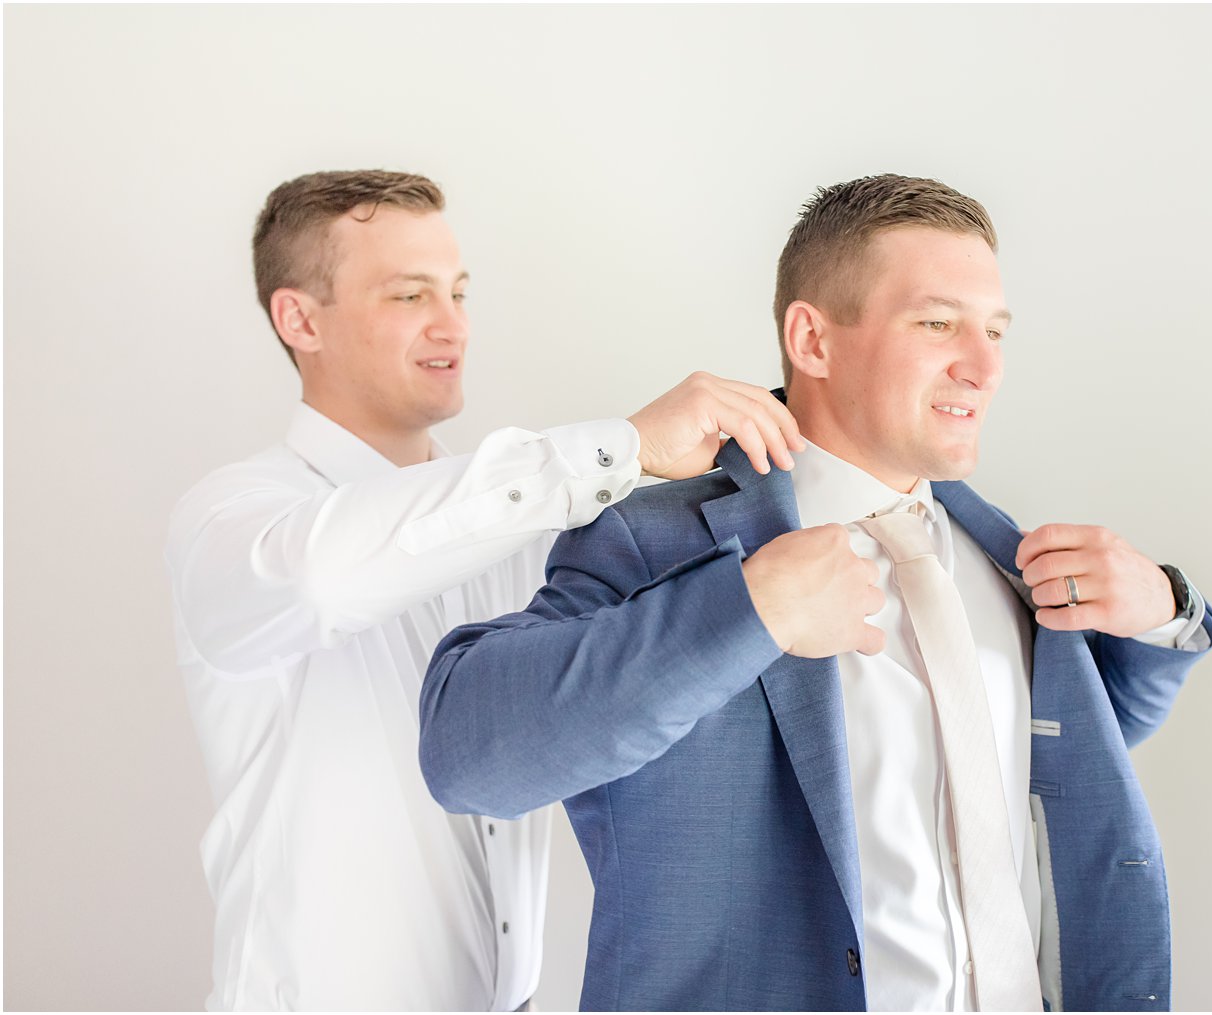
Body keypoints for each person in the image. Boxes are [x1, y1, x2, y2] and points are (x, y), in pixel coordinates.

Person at [417, 174, 1212, 1011]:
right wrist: (745, 611)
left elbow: (1052, 754)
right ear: (813, 339)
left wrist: (1162, 617)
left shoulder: (1003, 553)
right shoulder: (652, 541)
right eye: (938, 323)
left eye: (995, 330)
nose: (983, 366)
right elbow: (470, 758)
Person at [164, 169, 803, 1011]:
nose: (452, 324)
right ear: (299, 318)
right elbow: (321, 580)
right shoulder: (233, 517)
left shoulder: (519, 528)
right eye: (408, 295)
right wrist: (623, 447)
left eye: (459, 291)